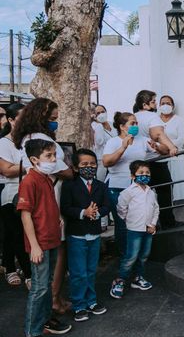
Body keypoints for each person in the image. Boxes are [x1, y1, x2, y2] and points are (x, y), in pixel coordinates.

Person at [13, 97, 74, 315]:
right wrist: (70, 167)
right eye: (52, 119)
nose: (55, 123)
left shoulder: (25, 138)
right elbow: (64, 171)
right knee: (57, 248)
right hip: (49, 199)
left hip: (46, 199)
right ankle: (54, 300)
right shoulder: (41, 141)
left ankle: (48, 306)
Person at [18, 139, 72, 337]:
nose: (53, 160)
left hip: (51, 239)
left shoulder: (46, 179)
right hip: (40, 243)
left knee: (47, 283)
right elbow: (26, 214)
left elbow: (47, 204)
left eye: (53, 155)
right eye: (48, 156)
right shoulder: (30, 181)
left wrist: (57, 216)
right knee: (39, 289)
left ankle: (46, 320)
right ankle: (31, 335)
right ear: (34, 160)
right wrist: (34, 246)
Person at [60, 149, 109, 322]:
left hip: (94, 234)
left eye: (92, 164)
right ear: (75, 167)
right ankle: (79, 304)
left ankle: (91, 301)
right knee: (78, 272)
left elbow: (106, 206)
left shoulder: (101, 186)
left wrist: (97, 213)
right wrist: (83, 212)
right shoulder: (69, 185)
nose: (89, 167)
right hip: (77, 235)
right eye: (84, 164)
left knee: (90, 270)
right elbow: (65, 208)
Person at [102, 112, 149, 260]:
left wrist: (162, 147)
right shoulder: (113, 142)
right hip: (118, 186)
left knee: (139, 220)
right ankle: (124, 257)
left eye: (136, 123)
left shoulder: (142, 140)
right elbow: (106, 162)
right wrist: (123, 147)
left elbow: (162, 149)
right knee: (122, 223)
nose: (136, 126)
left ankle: (137, 256)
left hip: (138, 187)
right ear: (122, 127)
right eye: (132, 123)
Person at [110, 160, 159, 299]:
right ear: (133, 176)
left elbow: (156, 209)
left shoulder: (151, 192)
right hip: (133, 230)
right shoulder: (128, 192)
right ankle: (120, 280)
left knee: (144, 255)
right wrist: (129, 221)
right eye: (141, 173)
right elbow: (121, 209)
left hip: (148, 229)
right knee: (131, 256)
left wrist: (153, 224)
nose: (145, 175)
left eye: (147, 173)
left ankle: (138, 278)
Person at [132, 90, 178, 228]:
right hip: (154, 161)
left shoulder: (133, 117)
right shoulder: (152, 117)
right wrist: (171, 147)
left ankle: (145, 223)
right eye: (153, 101)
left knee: (142, 194)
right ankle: (168, 222)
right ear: (145, 105)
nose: (156, 104)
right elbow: (158, 134)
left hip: (138, 163)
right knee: (164, 191)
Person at [0, 103, 31, 288]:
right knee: (16, 234)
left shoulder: (29, 140)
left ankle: (15, 267)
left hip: (29, 189)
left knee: (22, 234)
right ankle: (25, 273)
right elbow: (7, 170)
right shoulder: (4, 143)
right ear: (11, 120)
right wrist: (32, 165)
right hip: (10, 192)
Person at [158, 95, 184, 202]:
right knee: (162, 190)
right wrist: (162, 148)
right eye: (163, 103)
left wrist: (164, 147)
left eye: (168, 103)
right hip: (159, 158)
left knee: (176, 188)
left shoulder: (179, 120)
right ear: (159, 106)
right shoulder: (155, 120)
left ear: (173, 106)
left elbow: (181, 139)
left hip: (175, 156)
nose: (165, 105)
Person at [91, 105, 117, 182]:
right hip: (102, 160)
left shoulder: (113, 124)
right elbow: (99, 142)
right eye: (98, 113)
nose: (101, 114)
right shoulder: (95, 126)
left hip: (115, 158)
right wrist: (99, 125)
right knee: (101, 181)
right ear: (94, 116)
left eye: (103, 112)